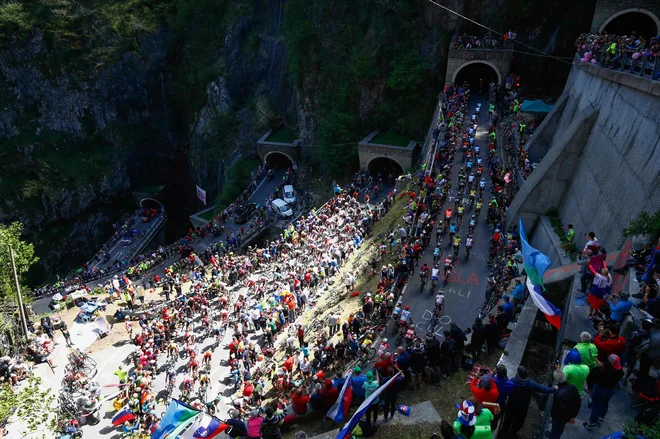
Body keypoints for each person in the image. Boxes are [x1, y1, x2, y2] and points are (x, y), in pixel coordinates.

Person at [500, 366, 556, 436]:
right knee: (519, 421)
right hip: (523, 407)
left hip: (511, 405)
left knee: (508, 418)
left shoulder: (512, 381)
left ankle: (505, 430)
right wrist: (554, 389)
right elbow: (544, 389)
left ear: (518, 374)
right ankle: (513, 431)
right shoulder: (530, 384)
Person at [583, 354, 624, 429]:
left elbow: (595, 376)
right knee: (605, 403)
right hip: (610, 390)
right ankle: (601, 417)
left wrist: (598, 368)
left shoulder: (604, 371)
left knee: (596, 405)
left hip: (600, 389)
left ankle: (591, 423)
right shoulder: (620, 371)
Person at [549, 370, 581, 439]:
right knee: (559, 429)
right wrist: (573, 416)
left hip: (559, 418)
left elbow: (556, 409)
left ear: (556, 381)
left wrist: (552, 416)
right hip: (569, 415)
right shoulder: (572, 387)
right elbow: (578, 402)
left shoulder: (558, 394)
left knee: (556, 431)